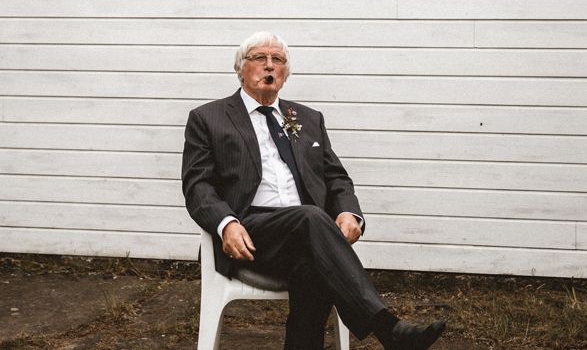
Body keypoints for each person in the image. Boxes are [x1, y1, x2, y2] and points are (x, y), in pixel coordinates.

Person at [182, 31, 445, 350]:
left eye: (277, 60)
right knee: (312, 219)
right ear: (241, 68)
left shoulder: (307, 118)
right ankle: (388, 329)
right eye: (259, 58)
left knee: (313, 267)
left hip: (308, 235)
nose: (269, 66)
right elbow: (198, 185)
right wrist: (226, 223)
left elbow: (336, 178)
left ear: (285, 73)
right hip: (249, 234)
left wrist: (349, 213)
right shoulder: (208, 118)